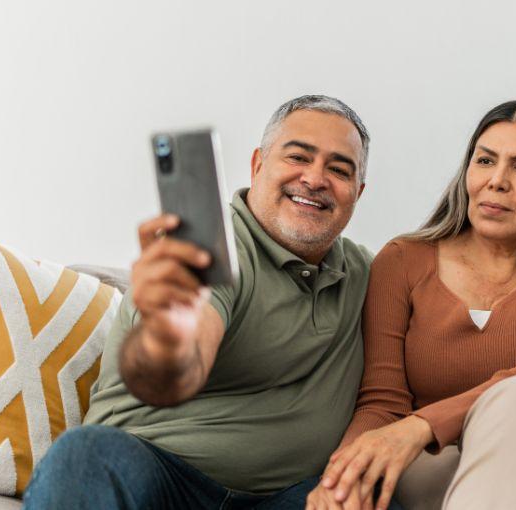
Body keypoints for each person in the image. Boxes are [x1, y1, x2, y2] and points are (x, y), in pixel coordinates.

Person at [23, 95, 376, 509]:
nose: (315, 178)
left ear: (358, 191)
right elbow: (175, 371)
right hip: (159, 479)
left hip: (284, 500)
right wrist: (169, 337)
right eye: (299, 156)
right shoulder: (209, 246)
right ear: (258, 165)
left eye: (339, 169)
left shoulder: (367, 275)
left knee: (373, 501)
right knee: (85, 457)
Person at [307, 100, 516, 510]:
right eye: (486, 160)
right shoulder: (402, 260)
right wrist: (342, 475)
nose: (497, 181)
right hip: (442, 467)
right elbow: (382, 401)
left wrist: (421, 427)